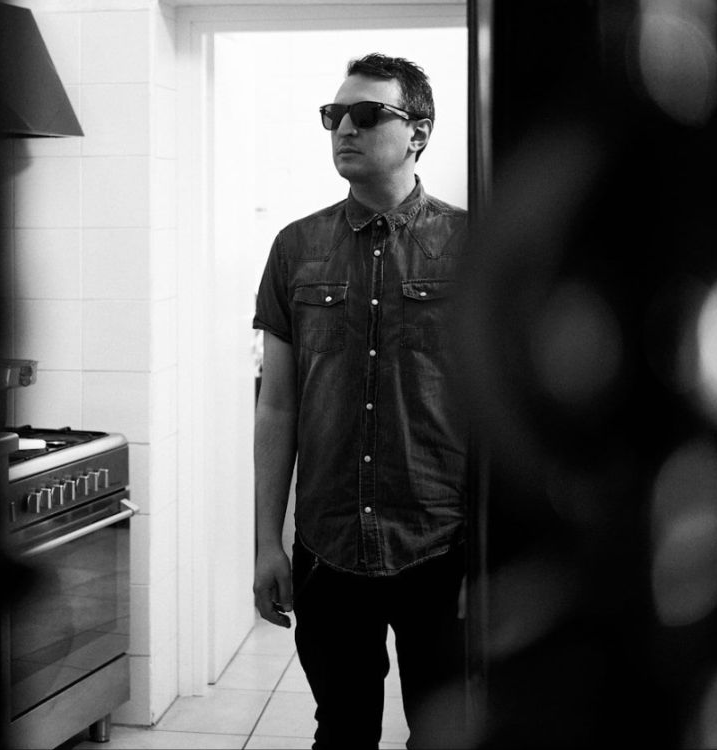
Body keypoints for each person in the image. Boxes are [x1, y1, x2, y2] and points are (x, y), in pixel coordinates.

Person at [251, 53, 469, 749]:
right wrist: (266, 542)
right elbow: (277, 407)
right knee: (341, 731)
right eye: (333, 115)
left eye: (367, 113)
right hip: (329, 543)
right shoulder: (296, 249)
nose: (344, 127)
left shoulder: (472, 247)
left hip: (442, 544)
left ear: (419, 133)